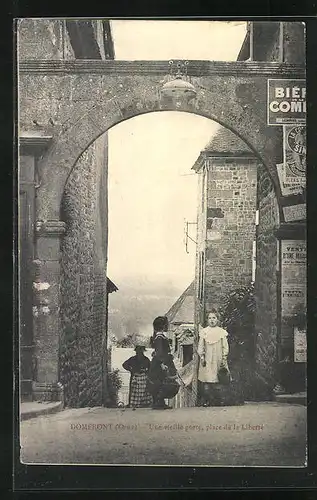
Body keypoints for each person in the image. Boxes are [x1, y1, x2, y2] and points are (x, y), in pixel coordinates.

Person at [197, 309, 229, 406]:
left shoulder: (221, 332)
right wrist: (202, 357)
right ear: (207, 320)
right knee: (207, 380)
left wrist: (224, 357)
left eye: (214, 318)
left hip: (218, 359)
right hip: (207, 359)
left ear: (217, 319)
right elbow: (201, 346)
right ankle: (207, 400)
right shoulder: (204, 332)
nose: (212, 320)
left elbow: (225, 346)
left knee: (218, 379)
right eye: (210, 318)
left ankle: (218, 400)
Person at [147, 316, 179, 409]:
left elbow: (158, 351)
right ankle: (158, 402)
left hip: (159, 362)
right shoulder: (160, 337)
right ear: (163, 325)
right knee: (162, 382)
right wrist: (163, 364)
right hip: (160, 363)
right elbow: (160, 352)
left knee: (159, 381)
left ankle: (159, 402)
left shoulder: (158, 337)